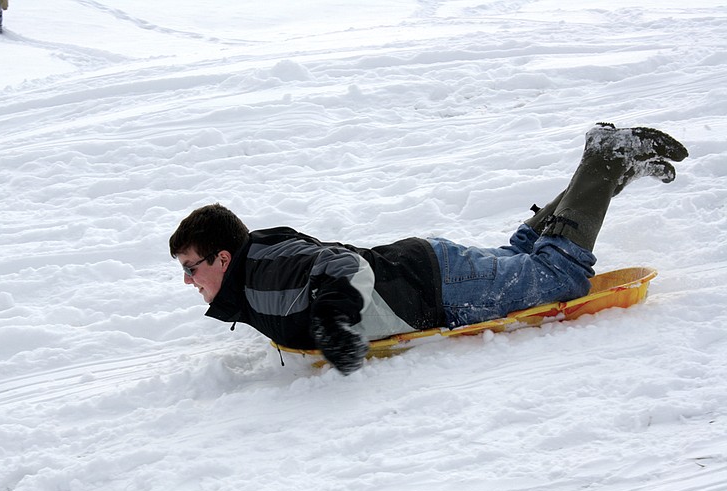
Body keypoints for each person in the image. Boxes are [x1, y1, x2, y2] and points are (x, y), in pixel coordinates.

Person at [169, 123, 688, 375]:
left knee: (560, 277)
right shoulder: (258, 266)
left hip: (433, 288)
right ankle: (608, 170)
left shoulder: (262, 271)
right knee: (527, 259)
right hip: (428, 270)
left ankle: (605, 160)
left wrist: (332, 318)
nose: (190, 281)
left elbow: (340, 265)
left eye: (192, 268)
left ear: (223, 259)